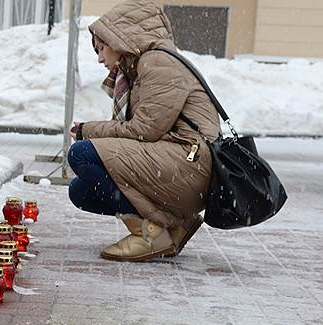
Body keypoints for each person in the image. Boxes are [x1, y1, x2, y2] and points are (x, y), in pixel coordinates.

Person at [67, 0, 219, 262]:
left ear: (120, 40)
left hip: (190, 161)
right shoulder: (141, 65)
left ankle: (150, 235)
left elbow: (145, 130)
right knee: (80, 191)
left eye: (102, 48)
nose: (100, 58)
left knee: (82, 154)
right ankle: (173, 226)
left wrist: (88, 131)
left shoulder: (158, 62)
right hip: (176, 158)